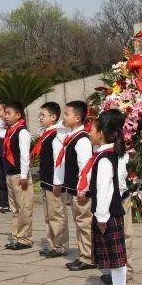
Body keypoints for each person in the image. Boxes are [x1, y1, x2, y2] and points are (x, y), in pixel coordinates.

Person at [81, 109, 131, 285]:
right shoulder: (113, 153)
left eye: (91, 130)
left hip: (107, 213)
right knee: (116, 256)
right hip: (114, 210)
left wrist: (101, 216)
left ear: (101, 132)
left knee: (115, 257)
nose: (90, 133)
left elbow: (104, 189)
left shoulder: (103, 159)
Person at [61, 101, 95, 272]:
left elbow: (85, 166)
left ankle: (89, 257)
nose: (64, 117)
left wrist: (83, 188)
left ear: (77, 117)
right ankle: (84, 254)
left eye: (67, 114)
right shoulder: (72, 137)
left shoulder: (82, 139)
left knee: (84, 222)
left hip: (81, 189)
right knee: (80, 222)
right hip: (74, 188)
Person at [33, 103, 67, 258]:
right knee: (48, 215)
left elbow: (58, 160)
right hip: (46, 180)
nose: (40, 118)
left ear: (53, 117)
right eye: (40, 115)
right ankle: (52, 244)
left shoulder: (58, 134)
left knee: (56, 214)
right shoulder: (46, 133)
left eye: (43, 115)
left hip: (54, 181)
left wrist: (57, 181)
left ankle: (60, 246)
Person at [1, 102, 34, 250]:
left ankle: (25, 238)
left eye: (8, 113)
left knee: (23, 207)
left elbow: (25, 155)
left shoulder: (22, 132)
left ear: (18, 115)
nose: (5, 116)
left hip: (19, 175)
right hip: (10, 174)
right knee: (14, 208)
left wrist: (24, 175)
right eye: (5, 113)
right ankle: (16, 236)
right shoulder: (9, 131)